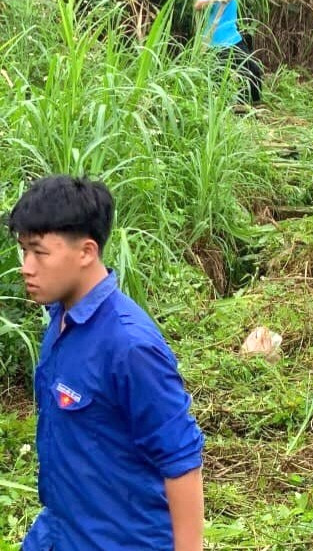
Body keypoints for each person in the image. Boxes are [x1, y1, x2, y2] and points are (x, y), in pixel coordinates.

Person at [7, 175, 205, 551]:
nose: (27, 267)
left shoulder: (129, 346)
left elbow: (181, 459)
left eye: (39, 252)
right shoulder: (61, 319)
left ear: (86, 251)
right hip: (60, 531)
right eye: (23, 251)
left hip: (119, 539)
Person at [195, 0, 263, 105]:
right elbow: (197, 5)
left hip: (233, 36)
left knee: (253, 71)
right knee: (219, 79)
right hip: (217, 39)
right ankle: (225, 112)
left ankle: (250, 107)